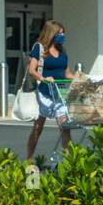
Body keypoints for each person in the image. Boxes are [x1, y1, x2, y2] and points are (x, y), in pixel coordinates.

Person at [25, 20, 75, 161]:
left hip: (59, 94)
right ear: (51, 33)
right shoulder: (39, 48)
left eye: (63, 33)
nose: (62, 35)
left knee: (65, 127)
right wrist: (44, 78)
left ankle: (70, 161)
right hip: (44, 93)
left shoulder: (62, 51)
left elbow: (67, 74)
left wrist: (81, 78)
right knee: (38, 128)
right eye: (59, 33)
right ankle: (29, 157)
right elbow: (32, 70)